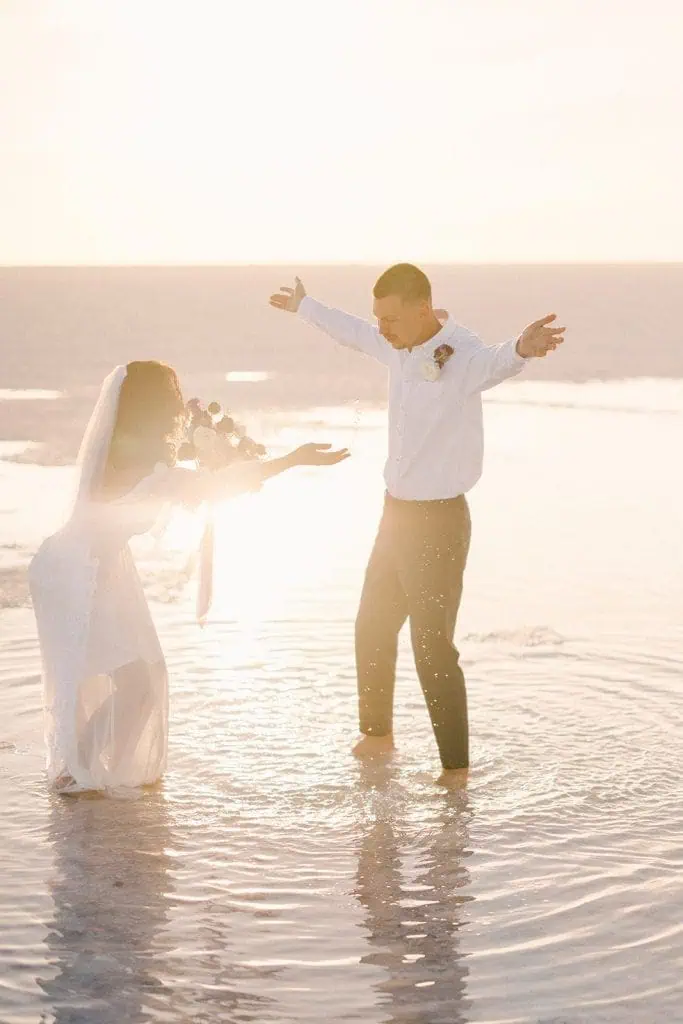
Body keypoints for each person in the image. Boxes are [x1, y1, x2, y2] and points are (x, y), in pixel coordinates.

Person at [269, 264, 564, 785]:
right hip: (395, 514)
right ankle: (378, 735)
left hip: (439, 522)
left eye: (391, 318)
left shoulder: (462, 354)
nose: (382, 327)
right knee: (372, 627)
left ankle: (456, 771)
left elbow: (498, 361)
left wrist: (523, 345)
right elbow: (355, 332)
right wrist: (305, 307)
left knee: (431, 647)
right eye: (379, 317)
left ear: (423, 309)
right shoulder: (394, 344)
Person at [29, 360, 348, 794]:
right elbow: (209, 485)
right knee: (138, 679)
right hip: (75, 571)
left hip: (82, 563)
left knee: (140, 676)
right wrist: (291, 460)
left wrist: (217, 463)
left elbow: (198, 483)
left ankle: (85, 774)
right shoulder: (145, 466)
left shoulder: (127, 453)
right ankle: (81, 773)